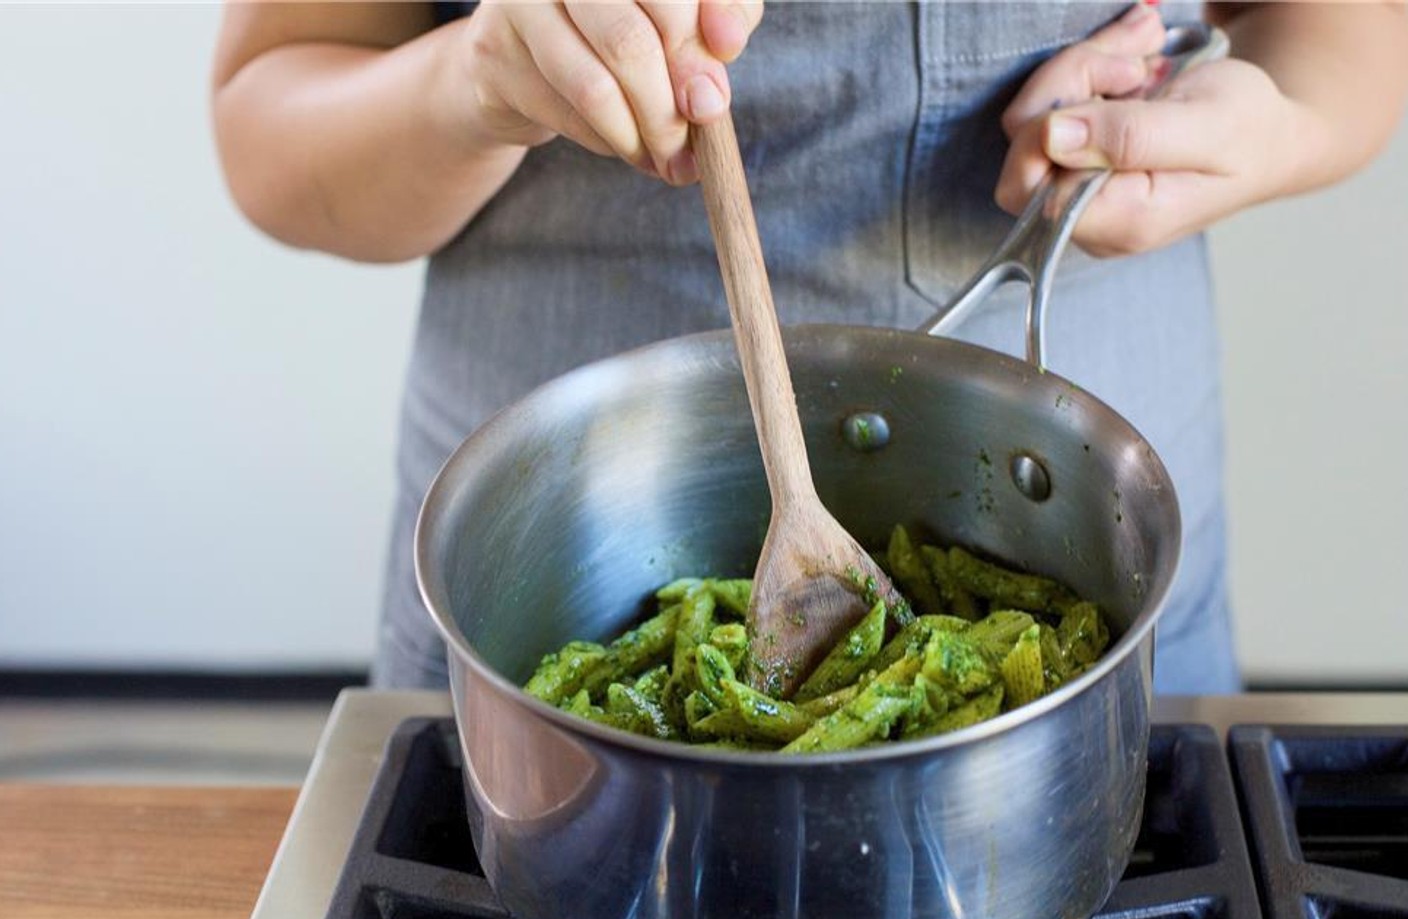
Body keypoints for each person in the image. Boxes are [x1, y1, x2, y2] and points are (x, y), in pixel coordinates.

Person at [211, 0, 1408, 695]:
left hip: (1114, 555)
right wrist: (477, 81)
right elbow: (270, 115)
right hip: (534, 578)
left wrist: (1273, 122)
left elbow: (1340, 31)